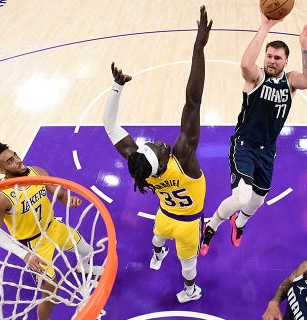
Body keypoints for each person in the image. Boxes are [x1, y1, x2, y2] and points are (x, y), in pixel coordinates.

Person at [101, 6, 212, 303]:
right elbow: (194, 99)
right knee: (189, 264)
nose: (160, 144)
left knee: (158, 237)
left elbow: (110, 126)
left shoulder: (141, 167)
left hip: (165, 214)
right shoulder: (184, 158)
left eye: (153, 145)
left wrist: (116, 87)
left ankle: (157, 254)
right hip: (189, 223)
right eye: (160, 149)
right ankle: (189, 291)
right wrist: (198, 49)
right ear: (164, 160)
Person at [199, 11, 307, 256]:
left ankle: (238, 224)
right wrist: (265, 26)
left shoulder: (291, 80)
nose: (272, 61)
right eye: (269, 56)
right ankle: (210, 226)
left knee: (257, 200)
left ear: (286, 61)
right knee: (241, 197)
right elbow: (245, 65)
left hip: (268, 150)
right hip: (244, 145)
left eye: (278, 58)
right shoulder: (257, 77)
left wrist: (305, 46)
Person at [0, 143, 104, 320]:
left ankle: (82, 267)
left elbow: (60, 194)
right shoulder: (0, 197)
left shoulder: (36, 172)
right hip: (33, 244)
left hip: (53, 227)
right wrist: (24, 254)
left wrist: (69, 200)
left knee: (87, 250)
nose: (18, 160)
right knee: (50, 294)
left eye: (15, 155)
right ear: (2, 171)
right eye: (10, 161)